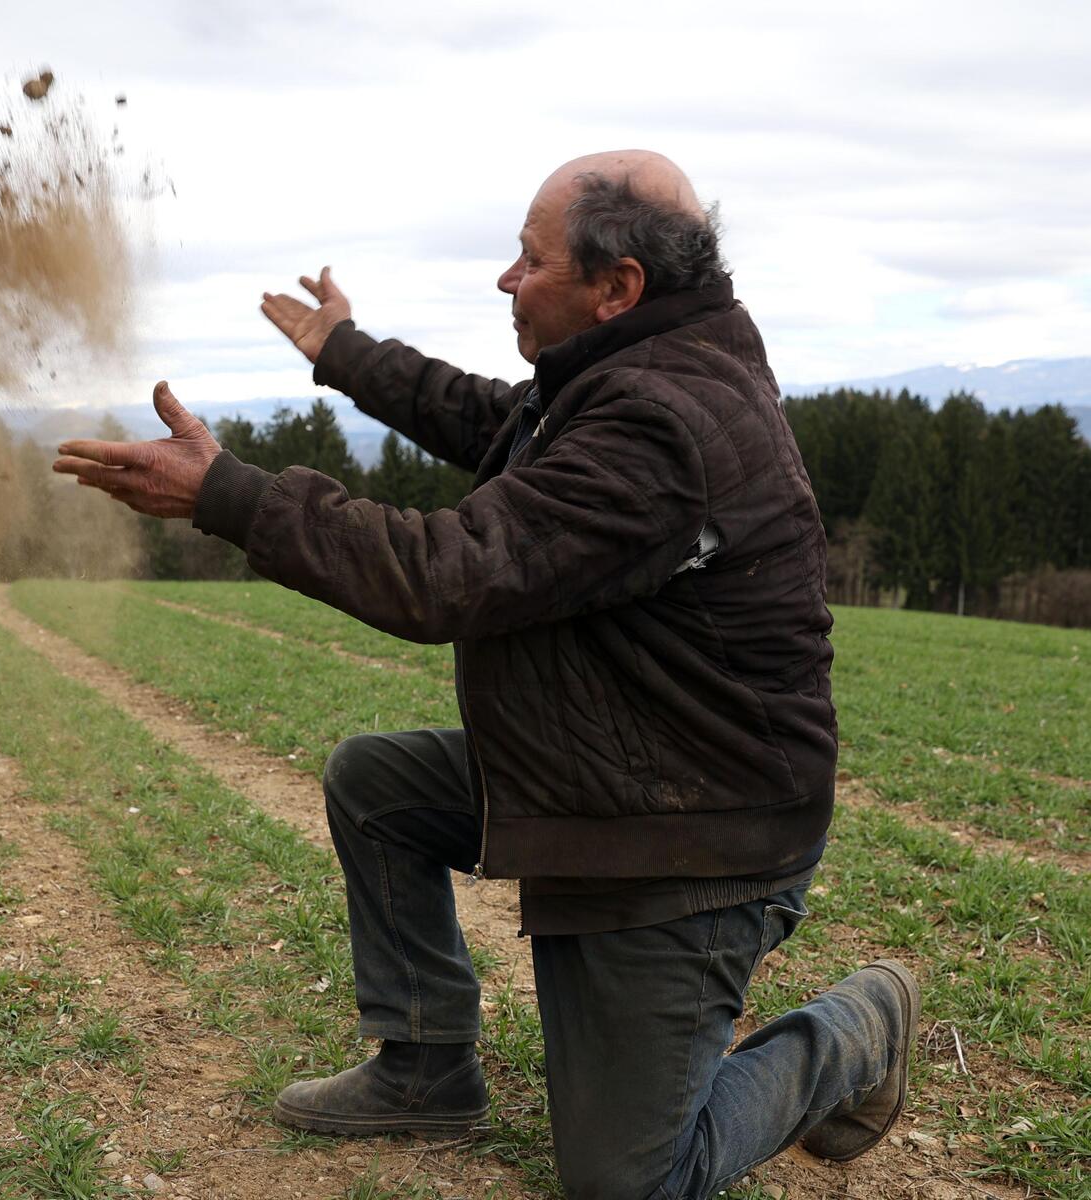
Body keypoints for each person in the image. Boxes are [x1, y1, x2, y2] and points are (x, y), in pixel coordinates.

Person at [53, 150, 918, 1200]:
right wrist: (346, 350)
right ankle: (426, 1067)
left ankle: (860, 1027)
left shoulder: (661, 426)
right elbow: (485, 421)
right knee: (377, 787)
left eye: (527, 258)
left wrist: (230, 495)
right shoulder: (631, 372)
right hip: (618, 770)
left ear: (618, 288)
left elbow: (445, 573)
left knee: (629, 1183)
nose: (506, 280)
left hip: (694, 830)